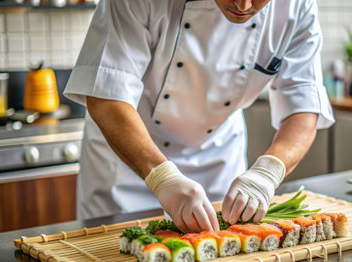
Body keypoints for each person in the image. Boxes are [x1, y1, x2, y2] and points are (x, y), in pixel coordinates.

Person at [64, 0, 334, 233]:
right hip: (129, 160)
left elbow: (303, 104)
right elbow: (107, 96)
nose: (243, 6)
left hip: (219, 158)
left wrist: (267, 173)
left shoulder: (297, 7)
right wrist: (162, 178)